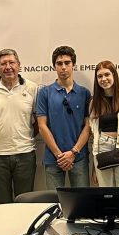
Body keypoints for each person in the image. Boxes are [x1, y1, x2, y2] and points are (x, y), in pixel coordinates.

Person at [0, 49, 39, 204]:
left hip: (25, 154)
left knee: (25, 202)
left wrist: (27, 136)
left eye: (12, 63)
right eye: (3, 64)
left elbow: (39, 122)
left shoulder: (32, 88)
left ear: (19, 65)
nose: (8, 67)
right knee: (2, 203)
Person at [36, 46, 91, 188]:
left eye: (67, 63)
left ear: (74, 65)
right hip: (54, 158)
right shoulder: (45, 93)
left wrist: (73, 152)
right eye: (59, 63)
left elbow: (88, 126)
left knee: (82, 199)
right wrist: (59, 155)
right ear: (54, 66)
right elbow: (42, 126)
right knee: (54, 199)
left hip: (78, 157)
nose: (63, 67)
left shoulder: (84, 93)